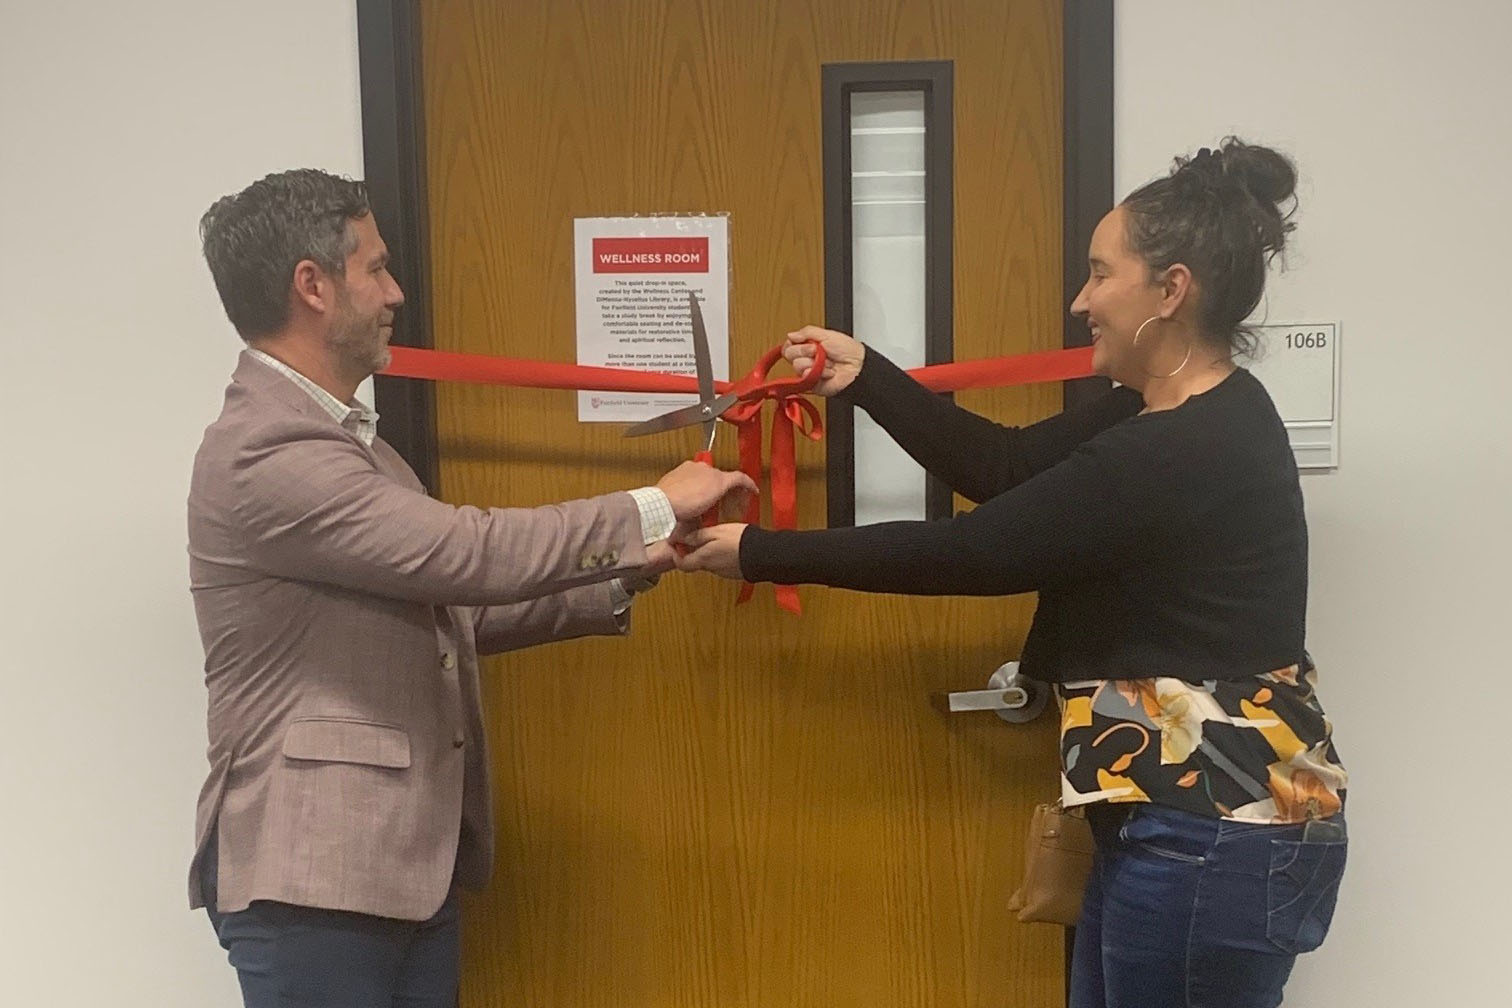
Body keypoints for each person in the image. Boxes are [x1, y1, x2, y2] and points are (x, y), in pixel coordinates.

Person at [678, 139, 1347, 1008]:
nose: (1081, 302)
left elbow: (977, 550)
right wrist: (868, 377)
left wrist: (762, 552)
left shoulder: (1183, 447)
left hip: (1212, 832)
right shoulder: (1166, 416)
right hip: (1183, 823)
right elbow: (1002, 466)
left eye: (1100, 275)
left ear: (1170, 290)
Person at [187, 168, 754, 1008]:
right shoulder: (268, 451)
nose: (396, 292)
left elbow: (449, 608)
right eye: (375, 269)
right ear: (312, 285)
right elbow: (466, 555)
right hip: (314, 879)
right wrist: (648, 504)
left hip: (398, 867)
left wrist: (639, 563)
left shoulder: (355, 447)